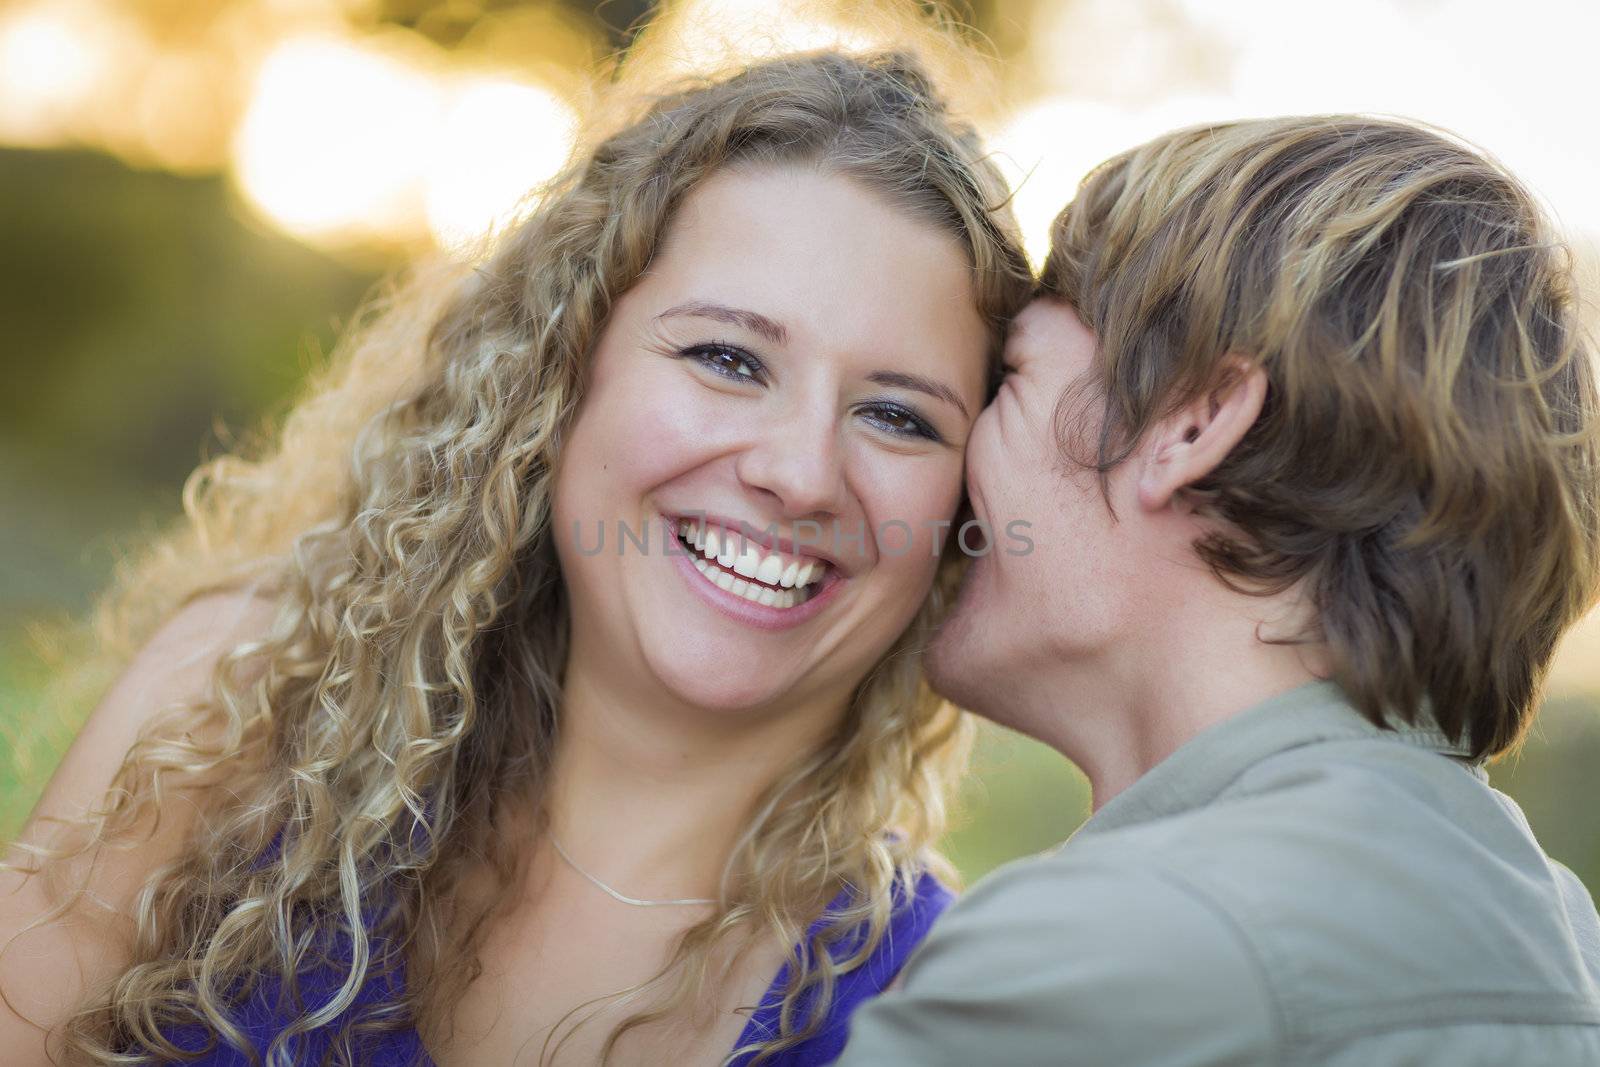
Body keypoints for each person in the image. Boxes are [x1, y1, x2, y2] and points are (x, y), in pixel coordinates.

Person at [0, 50, 1033, 1066]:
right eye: (728, 358)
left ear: (963, 503)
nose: (801, 473)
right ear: (563, 367)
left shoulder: (941, 1009)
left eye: (897, 415)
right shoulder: (236, 708)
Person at [839, 116, 1600, 1064]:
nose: (948, 465)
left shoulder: (1115, 949)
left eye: (1013, 378)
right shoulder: (1559, 937)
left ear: (1194, 424)